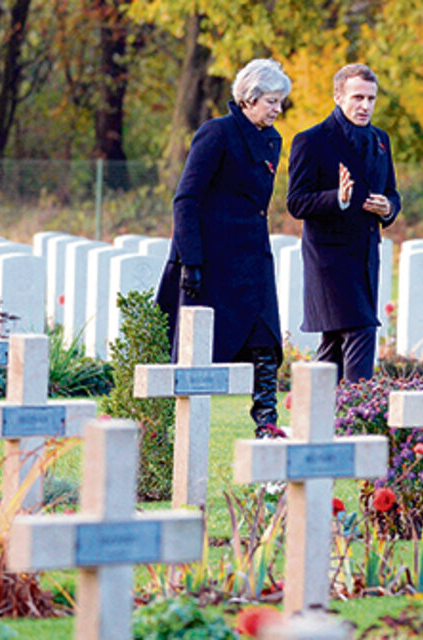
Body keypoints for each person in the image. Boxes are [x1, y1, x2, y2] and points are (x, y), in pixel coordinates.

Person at [156, 58, 290, 437]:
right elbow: (186, 200)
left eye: (280, 102)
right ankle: (171, 434)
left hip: (254, 258)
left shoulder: (271, 140)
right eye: (272, 101)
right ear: (248, 99)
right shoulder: (216, 134)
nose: (278, 110)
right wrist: (191, 261)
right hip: (211, 259)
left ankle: (267, 425)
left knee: (266, 341)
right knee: (191, 355)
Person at [286, 63, 401, 382]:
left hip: (366, 258)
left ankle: (315, 418)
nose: (365, 106)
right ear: (338, 97)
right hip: (329, 260)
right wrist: (338, 198)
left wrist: (388, 207)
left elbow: (392, 192)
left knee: (334, 344)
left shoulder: (380, 140)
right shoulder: (312, 141)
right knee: (362, 329)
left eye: (371, 98)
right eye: (357, 97)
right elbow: (296, 202)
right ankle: (355, 414)